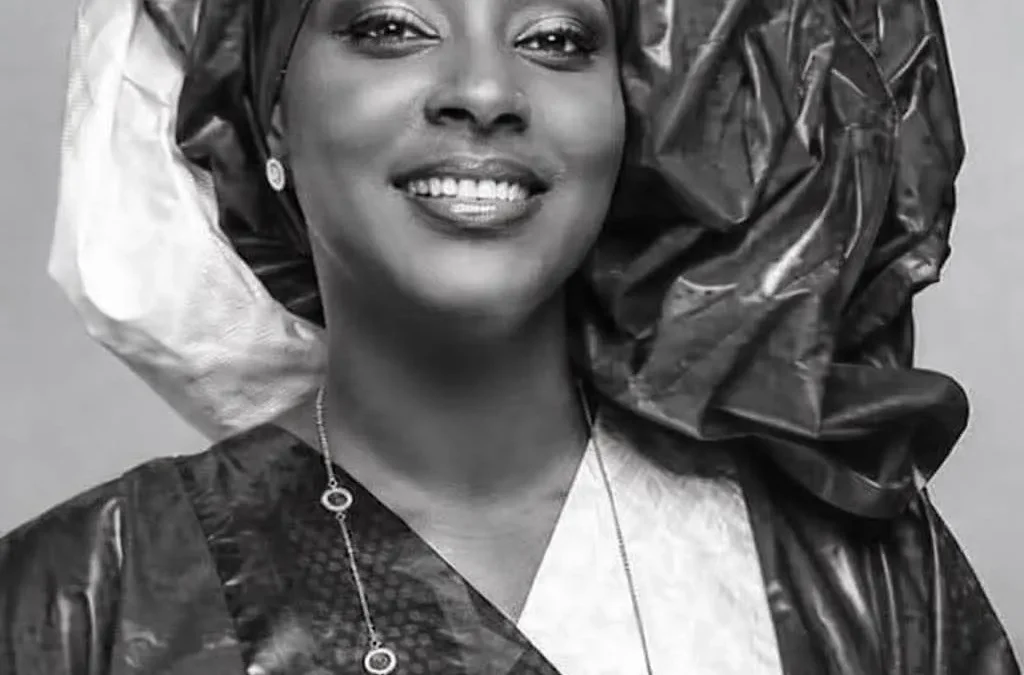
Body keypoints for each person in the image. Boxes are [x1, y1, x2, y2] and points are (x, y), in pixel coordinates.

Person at [0, 0, 1019, 673]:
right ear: (266, 113)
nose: (485, 91)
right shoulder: (85, 598)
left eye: (557, 40)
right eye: (392, 27)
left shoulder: (859, 575)